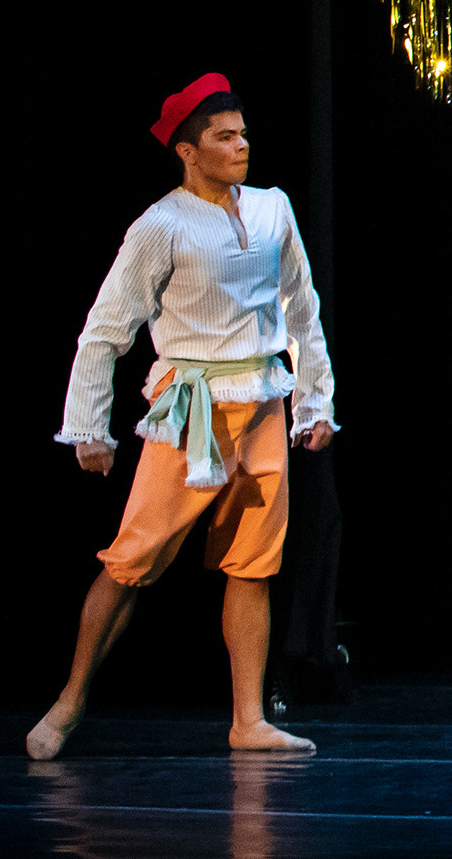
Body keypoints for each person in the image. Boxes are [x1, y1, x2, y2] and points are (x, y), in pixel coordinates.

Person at [29, 74, 341, 760]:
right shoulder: (161, 225)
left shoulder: (272, 209)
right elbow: (105, 329)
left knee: (253, 564)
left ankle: (248, 720)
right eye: (225, 137)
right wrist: (89, 427)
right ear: (188, 151)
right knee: (133, 560)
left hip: (262, 404)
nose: (242, 146)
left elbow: (301, 307)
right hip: (191, 410)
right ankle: (70, 700)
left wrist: (314, 401)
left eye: (243, 133)